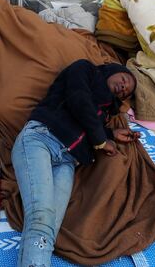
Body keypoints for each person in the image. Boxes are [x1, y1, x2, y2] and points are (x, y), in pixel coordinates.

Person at [12, 59, 138, 267]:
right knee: (41, 217)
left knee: (49, 228)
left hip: (67, 161)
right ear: (113, 70)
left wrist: (110, 134)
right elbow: (79, 100)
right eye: (124, 80)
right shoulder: (85, 69)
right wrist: (100, 139)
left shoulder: (105, 111)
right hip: (40, 140)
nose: (123, 88)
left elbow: (82, 128)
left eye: (125, 93)